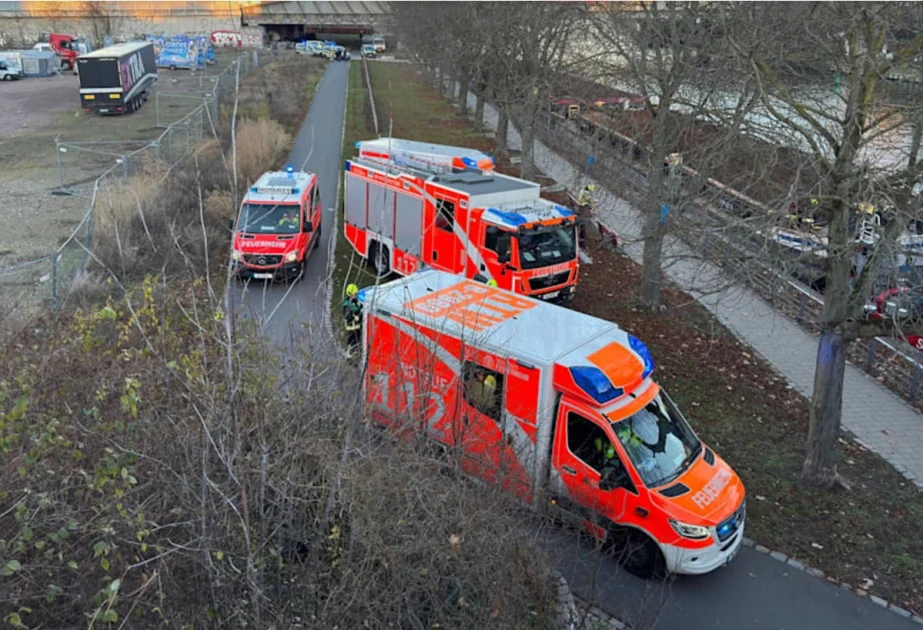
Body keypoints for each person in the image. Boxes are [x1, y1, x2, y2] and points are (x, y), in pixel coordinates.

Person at [342, 283, 363, 356]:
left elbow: (358, 307)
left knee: (357, 339)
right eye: (355, 294)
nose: (356, 295)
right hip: (351, 326)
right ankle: (348, 352)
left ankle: (355, 351)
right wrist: (356, 317)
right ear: (350, 294)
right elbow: (348, 317)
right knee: (351, 340)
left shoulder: (355, 301)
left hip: (356, 326)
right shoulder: (347, 305)